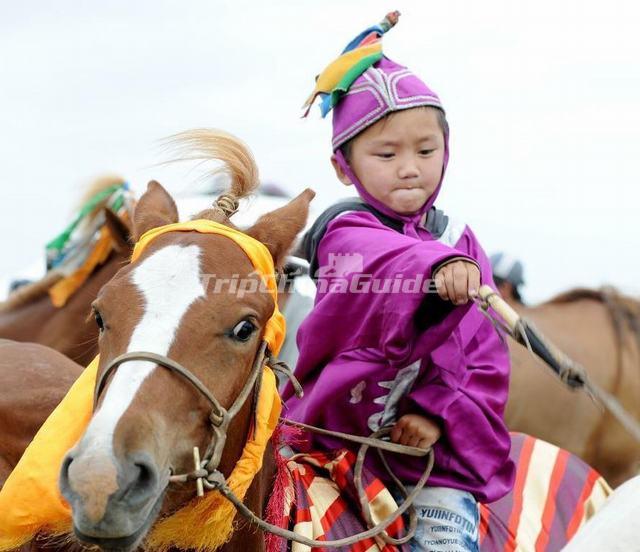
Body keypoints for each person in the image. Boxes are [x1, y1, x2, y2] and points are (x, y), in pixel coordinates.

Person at [282, 12, 515, 552]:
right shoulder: (342, 229)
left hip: (427, 463)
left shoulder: (459, 236)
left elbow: (484, 353)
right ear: (345, 166)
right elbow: (378, 258)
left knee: (443, 542)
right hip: (331, 441)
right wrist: (435, 270)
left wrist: (435, 411)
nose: (410, 168)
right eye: (386, 154)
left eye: (426, 151)